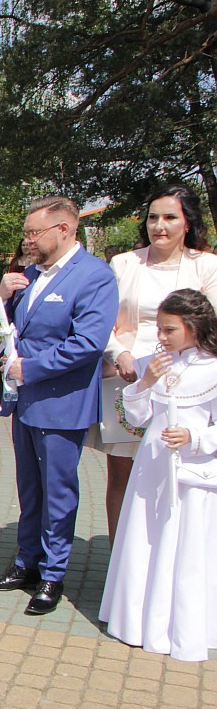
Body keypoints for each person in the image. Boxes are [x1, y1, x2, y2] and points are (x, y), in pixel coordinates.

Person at [0, 196, 119, 615]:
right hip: (25, 402)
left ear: (64, 229)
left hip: (62, 402)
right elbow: (11, 330)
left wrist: (31, 368)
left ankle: (53, 573)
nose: (27, 240)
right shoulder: (28, 275)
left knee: (58, 492)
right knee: (29, 487)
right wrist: (2, 297)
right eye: (25, 233)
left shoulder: (94, 276)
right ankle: (26, 561)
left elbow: (88, 343)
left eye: (34, 233)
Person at [99, 289, 217, 661]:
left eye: (169, 330)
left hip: (189, 471)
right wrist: (146, 382)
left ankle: (175, 624)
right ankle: (135, 619)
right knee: (146, 537)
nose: (161, 337)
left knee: (182, 543)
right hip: (151, 466)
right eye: (160, 329)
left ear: (194, 327)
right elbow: (136, 418)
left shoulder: (213, 369)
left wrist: (194, 437)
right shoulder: (159, 362)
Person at [95, 184, 217, 541]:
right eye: (152, 217)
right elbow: (104, 321)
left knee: (175, 467)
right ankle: (120, 555)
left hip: (186, 381)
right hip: (129, 376)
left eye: (169, 217)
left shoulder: (207, 266)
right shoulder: (124, 263)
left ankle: (169, 550)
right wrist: (121, 355)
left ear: (187, 222)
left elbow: (210, 323)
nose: (159, 226)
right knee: (121, 472)